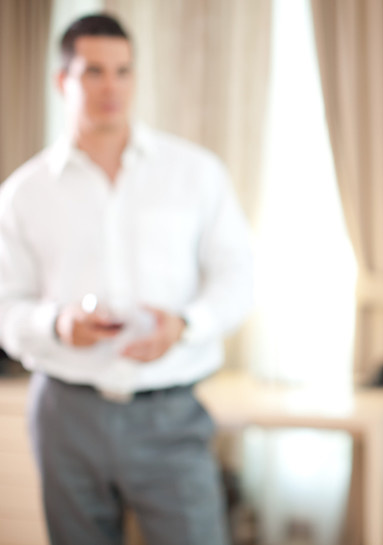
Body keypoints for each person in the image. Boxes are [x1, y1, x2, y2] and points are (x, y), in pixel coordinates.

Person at [0, 13, 252, 545]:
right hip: (65, 416)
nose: (110, 87)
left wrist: (184, 324)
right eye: (93, 71)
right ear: (62, 80)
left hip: (170, 414)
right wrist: (56, 324)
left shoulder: (196, 173)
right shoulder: (23, 194)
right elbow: (6, 306)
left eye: (123, 70)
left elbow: (238, 278)